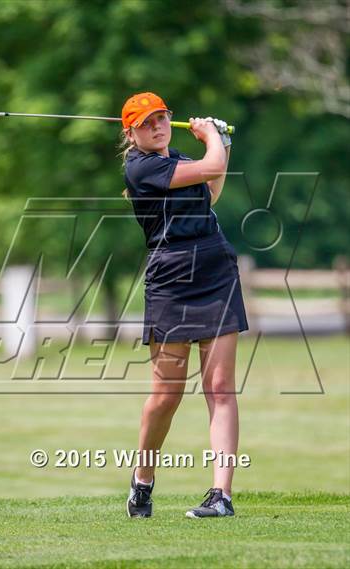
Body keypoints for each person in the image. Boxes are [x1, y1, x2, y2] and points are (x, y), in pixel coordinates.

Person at [120, 92, 249, 519]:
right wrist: (212, 136)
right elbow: (209, 166)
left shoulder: (175, 157)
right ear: (132, 133)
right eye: (145, 122)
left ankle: (221, 495)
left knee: (220, 389)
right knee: (166, 395)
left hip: (214, 267)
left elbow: (210, 191)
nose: (156, 126)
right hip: (171, 278)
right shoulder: (140, 168)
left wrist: (222, 145)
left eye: (160, 117)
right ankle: (142, 479)